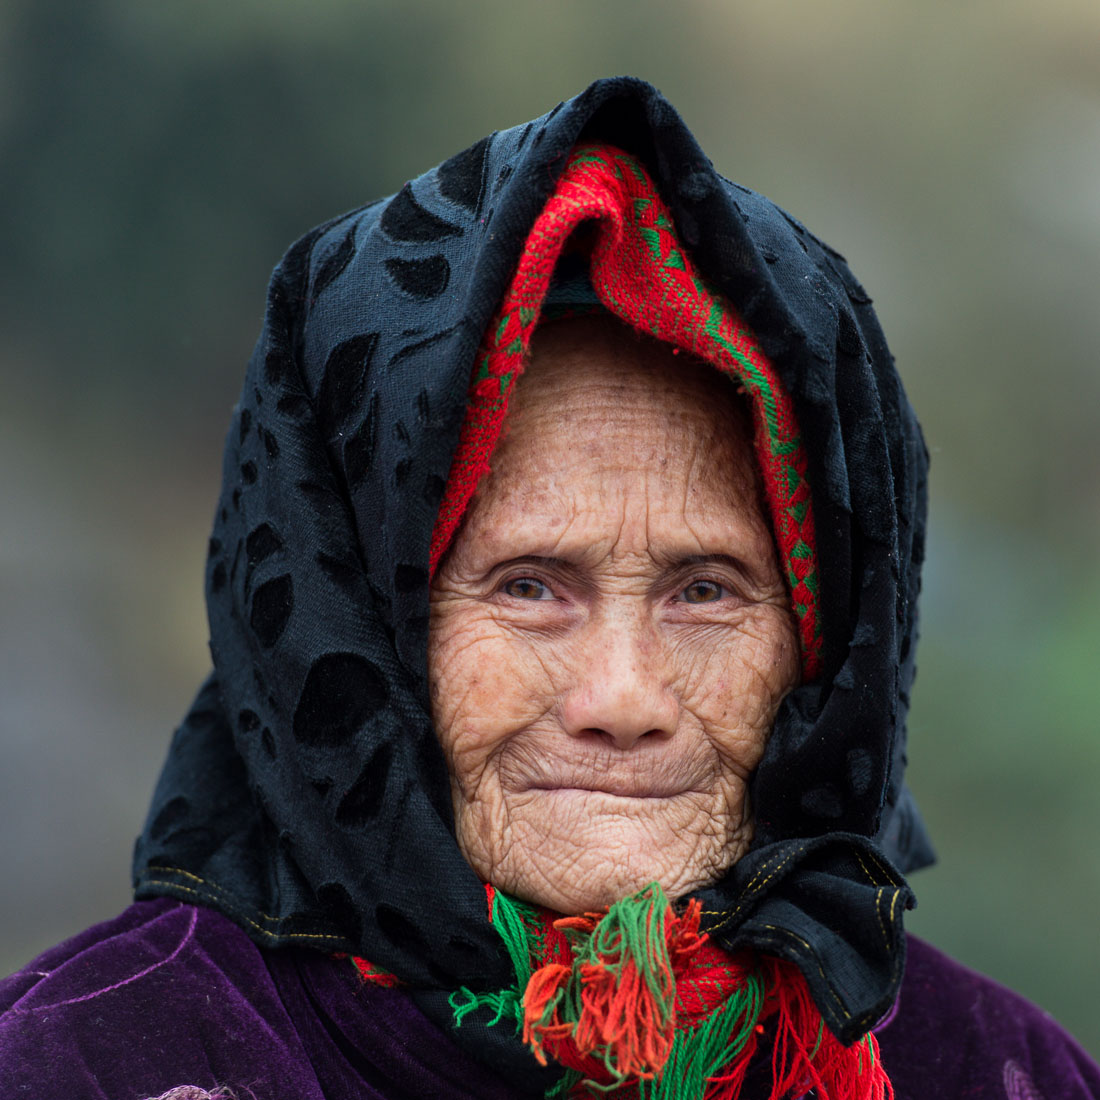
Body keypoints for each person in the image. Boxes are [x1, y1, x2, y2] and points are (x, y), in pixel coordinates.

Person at [1, 76, 1096, 1100]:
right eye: (527, 586)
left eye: (705, 591)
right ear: (358, 629)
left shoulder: (991, 1069)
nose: (620, 697)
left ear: (825, 648)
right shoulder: (95, 1059)